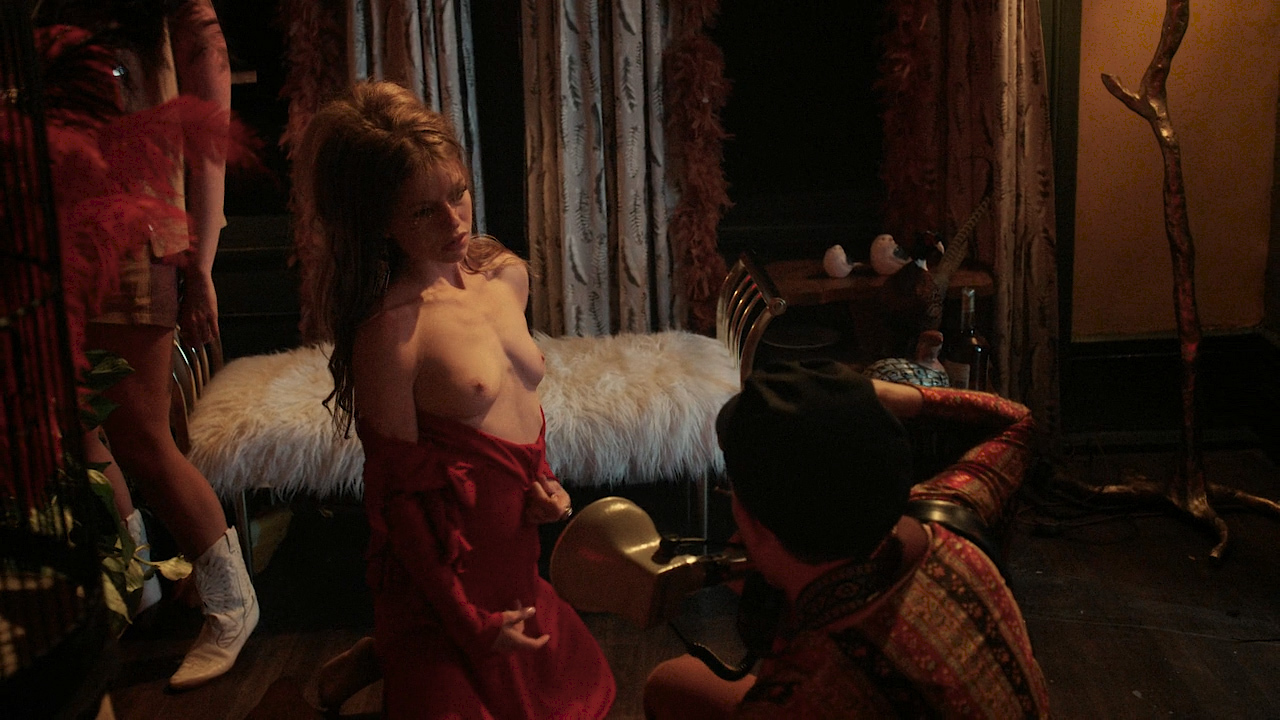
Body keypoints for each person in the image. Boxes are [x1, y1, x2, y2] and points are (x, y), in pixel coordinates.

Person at [295, 80, 615, 718]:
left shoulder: (504, 276)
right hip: (447, 590)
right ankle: (394, 647)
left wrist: (544, 479)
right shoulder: (390, 332)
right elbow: (397, 500)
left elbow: (516, 402)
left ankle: (381, 655)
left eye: (459, 193)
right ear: (379, 221)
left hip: (516, 561)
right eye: (423, 212)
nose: (455, 222)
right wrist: (469, 622)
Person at [35, 0, 258, 691]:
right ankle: (134, 587)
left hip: (137, 236)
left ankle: (232, 605)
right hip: (53, 232)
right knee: (73, 425)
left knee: (140, 437)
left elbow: (209, 139)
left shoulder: (177, 12)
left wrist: (200, 264)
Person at [644, 359, 1050, 718]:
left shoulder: (801, 700)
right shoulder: (945, 513)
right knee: (675, 684)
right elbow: (1019, 422)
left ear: (753, 523)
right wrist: (877, 397)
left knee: (669, 687)